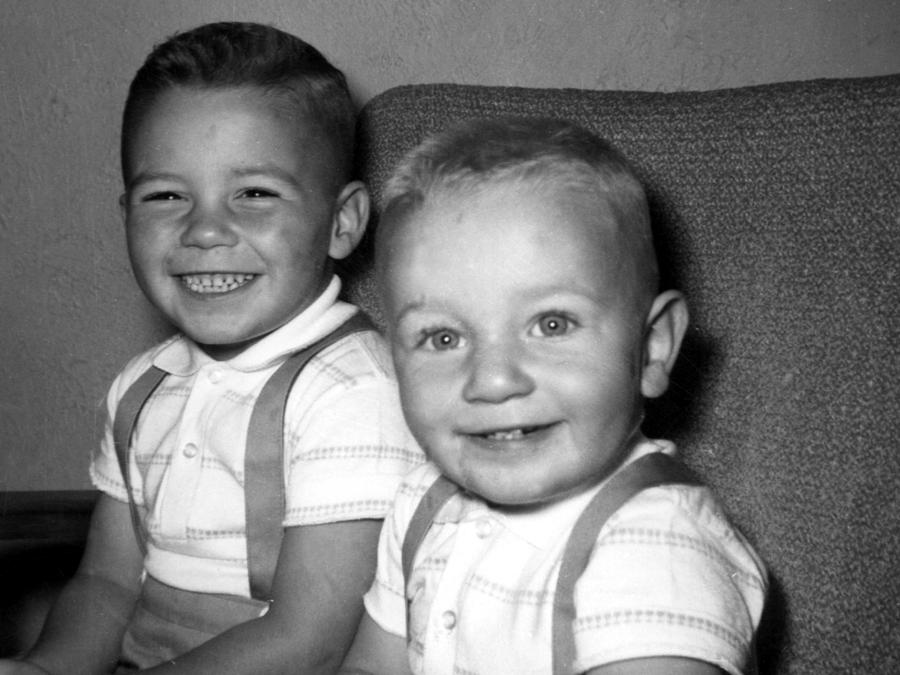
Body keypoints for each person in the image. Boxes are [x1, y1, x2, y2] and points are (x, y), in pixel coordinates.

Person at [0, 22, 423, 675]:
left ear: (342, 222)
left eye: (253, 194)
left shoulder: (354, 391)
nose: (203, 230)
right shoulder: (142, 387)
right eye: (166, 195)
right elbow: (107, 586)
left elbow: (309, 638)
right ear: (126, 216)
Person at [339, 117, 768, 675]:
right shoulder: (424, 499)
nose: (493, 381)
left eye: (551, 325)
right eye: (443, 338)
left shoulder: (654, 554)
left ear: (653, 347)